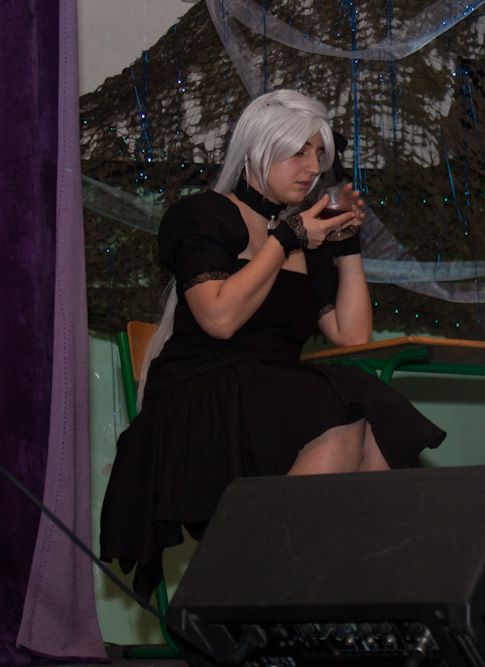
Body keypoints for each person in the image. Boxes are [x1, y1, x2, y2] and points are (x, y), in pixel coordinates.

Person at [99, 89, 446, 601]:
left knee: (371, 417)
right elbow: (219, 318)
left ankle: (342, 601)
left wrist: (347, 244)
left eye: (318, 154)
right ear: (258, 149)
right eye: (297, 152)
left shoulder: (304, 237)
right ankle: (256, 593)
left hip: (271, 399)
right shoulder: (203, 214)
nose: (312, 168)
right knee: (338, 417)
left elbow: (352, 336)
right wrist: (286, 240)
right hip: (200, 399)